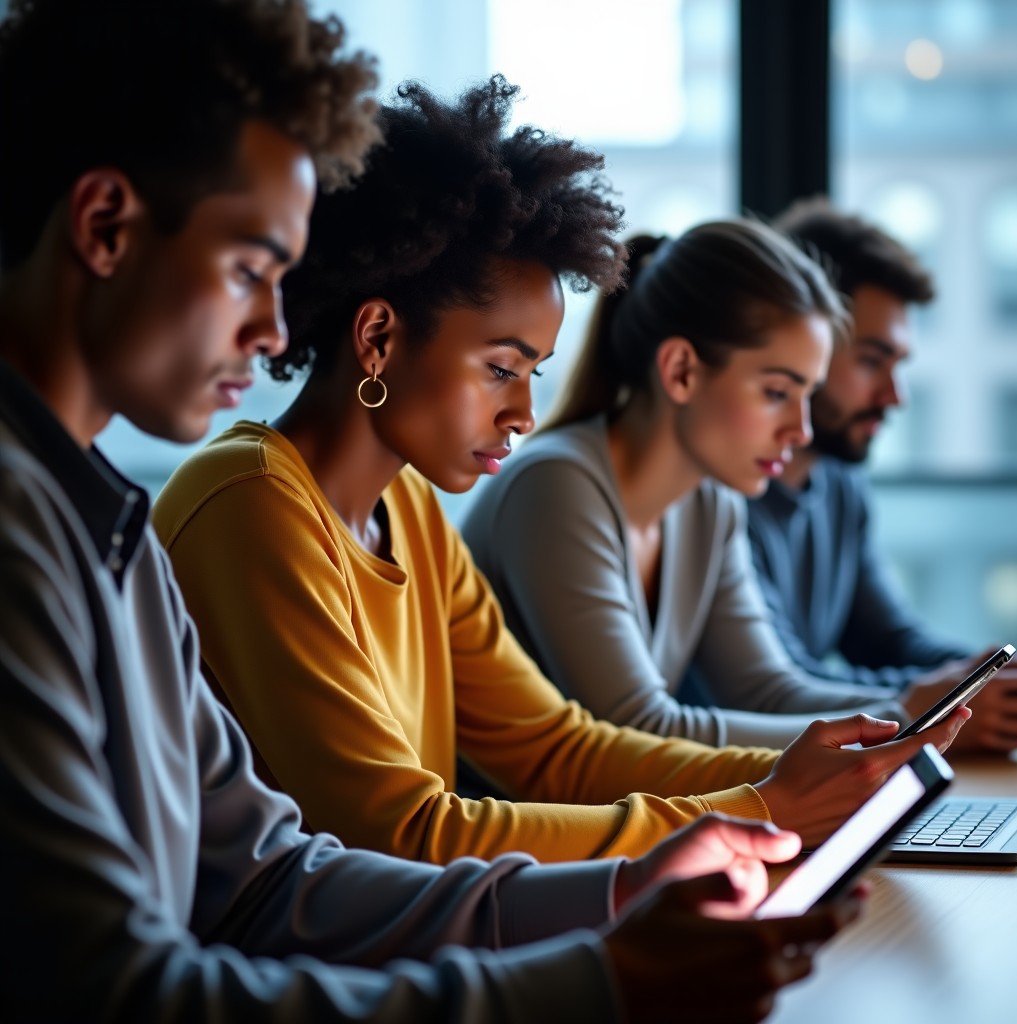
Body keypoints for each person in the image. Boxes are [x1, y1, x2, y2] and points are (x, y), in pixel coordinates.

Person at [0, 3, 862, 1020]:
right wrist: (604, 971)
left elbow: (275, 874)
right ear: (105, 226)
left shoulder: (119, 536)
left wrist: (631, 885)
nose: (275, 323)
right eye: (249, 269)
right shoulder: (172, 514)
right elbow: (120, 985)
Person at [153, 78, 966, 868]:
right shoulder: (253, 503)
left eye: (535, 374)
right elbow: (396, 834)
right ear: (376, 339)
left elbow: (555, 749)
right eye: (502, 369)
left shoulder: (407, 505)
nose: (524, 415)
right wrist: (755, 809)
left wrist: (797, 774)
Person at [462, 221, 972, 750]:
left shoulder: (710, 500)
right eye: (777, 392)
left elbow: (764, 690)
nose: (802, 430)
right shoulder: (556, 486)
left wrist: (918, 716)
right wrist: (901, 721)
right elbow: (638, 728)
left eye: (807, 394)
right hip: (511, 827)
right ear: (681, 370)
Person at [747, 197, 1017, 753]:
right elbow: (775, 685)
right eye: (873, 361)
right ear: (808, 343)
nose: (894, 397)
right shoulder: (723, 492)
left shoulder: (839, 483)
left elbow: (886, 636)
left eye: (898, 365)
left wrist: (989, 680)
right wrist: (935, 706)